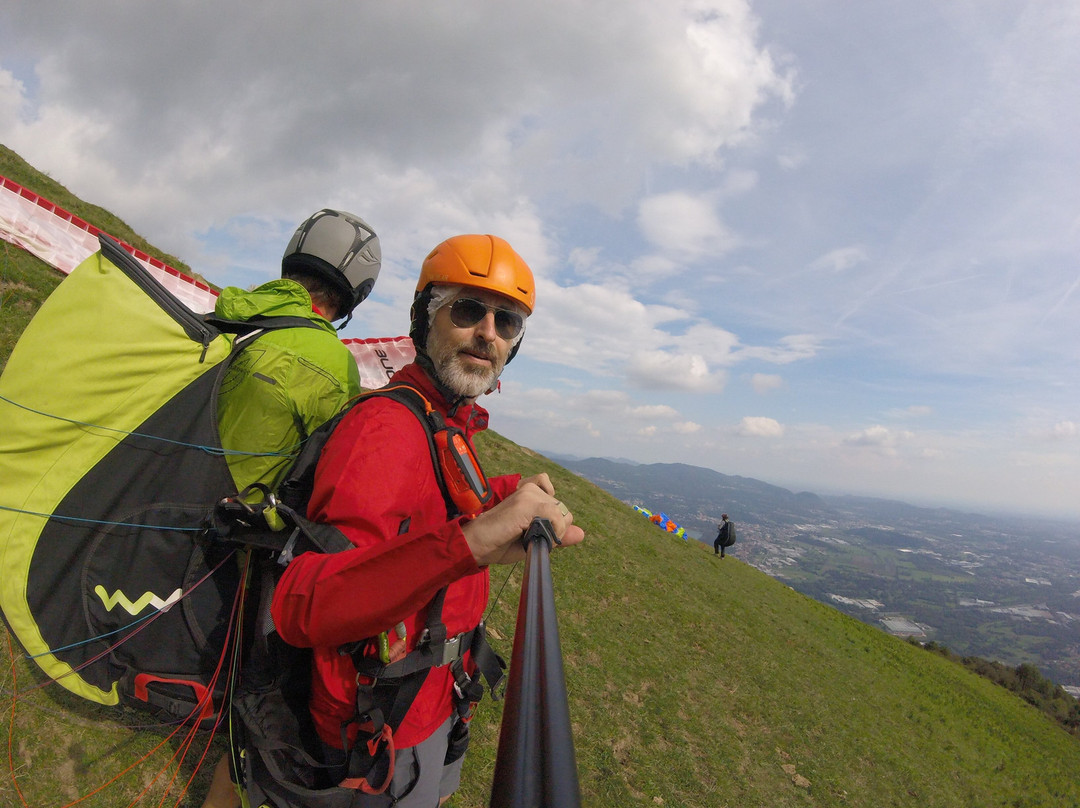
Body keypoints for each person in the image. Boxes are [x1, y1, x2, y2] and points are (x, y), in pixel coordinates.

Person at [269, 233, 585, 807]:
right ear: (424, 319)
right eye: (467, 310)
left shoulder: (444, 418)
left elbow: (435, 503)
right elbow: (303, 605)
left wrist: (508, 493)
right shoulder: (387, 430)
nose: (488, 332)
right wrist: (475, 540)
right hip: (380, 732)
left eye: (507, 322)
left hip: (433, 698)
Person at [201, 208, 381, 808]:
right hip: (239, 532)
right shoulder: (330, 364)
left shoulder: (228, 310)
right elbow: (319, 478)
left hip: (167, 497)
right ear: (354, 291)